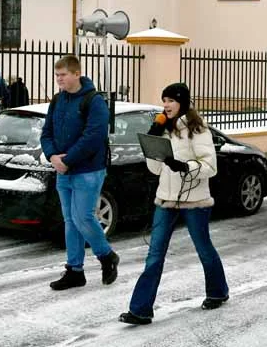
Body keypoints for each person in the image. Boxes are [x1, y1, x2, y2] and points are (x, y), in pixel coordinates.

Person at [120, 83, 228, 325]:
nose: (166, 105)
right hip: (166, 199)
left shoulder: (197, 129)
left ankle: (218, 291)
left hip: (194, 200)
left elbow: (210, 166)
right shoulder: (164, 128)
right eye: (164, 100)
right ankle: (140, 309)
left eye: (170, 100)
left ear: (182, 102)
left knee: (203, 248)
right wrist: (153, 145)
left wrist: (185, 166)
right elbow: (156, 169)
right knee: (154, 255)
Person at [40, 55, 119, 291]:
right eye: (57, 75)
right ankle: (75, 271)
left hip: (88, 170)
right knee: (70, 221)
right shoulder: (58, 100)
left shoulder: (94, 101)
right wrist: (53, 156)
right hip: (63, 170)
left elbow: (93, 137)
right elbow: (46, 132)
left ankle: (107, 256)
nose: (59, 80)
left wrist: (68, 160)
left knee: (83, 217)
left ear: (76, 74)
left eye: (63, 75)